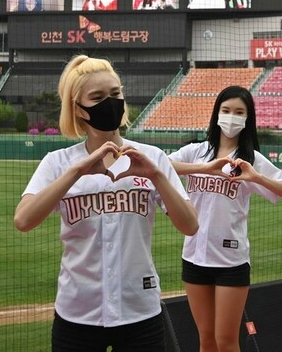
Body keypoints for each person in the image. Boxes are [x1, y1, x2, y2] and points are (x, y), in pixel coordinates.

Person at [14, 55, 199, 352]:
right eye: (97, 97)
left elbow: (190, 225)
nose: (110, 103)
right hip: (78, 312)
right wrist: (75, 173)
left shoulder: (151, 157)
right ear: (78, 109)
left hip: (139, 309)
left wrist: (156, 175)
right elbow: (24, 220)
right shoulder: (58, 163)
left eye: (115, 94)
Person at [168, 86, 282, 352]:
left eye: (239, 112)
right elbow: (161, 165)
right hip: (194, 255)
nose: (231, 117)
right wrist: (206, 168)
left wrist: (256, 177)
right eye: (226, 110)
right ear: (216, 113)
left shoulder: (251, 159)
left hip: (231, 260)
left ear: (247, 119)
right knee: (205, 339)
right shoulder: (197, 152)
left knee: (226, 341)